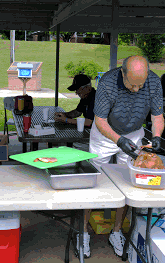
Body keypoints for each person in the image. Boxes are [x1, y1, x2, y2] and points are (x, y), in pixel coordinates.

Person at [89, 55, 165, 257]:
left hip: (134, 134)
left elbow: (157, 116)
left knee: (128, 184)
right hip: (105, 134)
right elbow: (100, 121)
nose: (137, 90)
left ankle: (116, 231)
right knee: (93, 180)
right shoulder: (107, 82)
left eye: (140, 85)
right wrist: (118, 141)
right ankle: (83, 232)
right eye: (132, 85)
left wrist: (157, 136)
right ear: (122, 73)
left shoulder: (154, 82)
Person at [54, 74, 96, 258]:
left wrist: (66, 121)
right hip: (85, 137)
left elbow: (91, 122)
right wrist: (66, 115)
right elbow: (78, 113)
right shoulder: (85, 98)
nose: (78, 94)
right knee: (63, 147)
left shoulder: (95, 98)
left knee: (65, 150)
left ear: (87, 87)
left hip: (93, 140)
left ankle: (74, 184)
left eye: (78, 90)